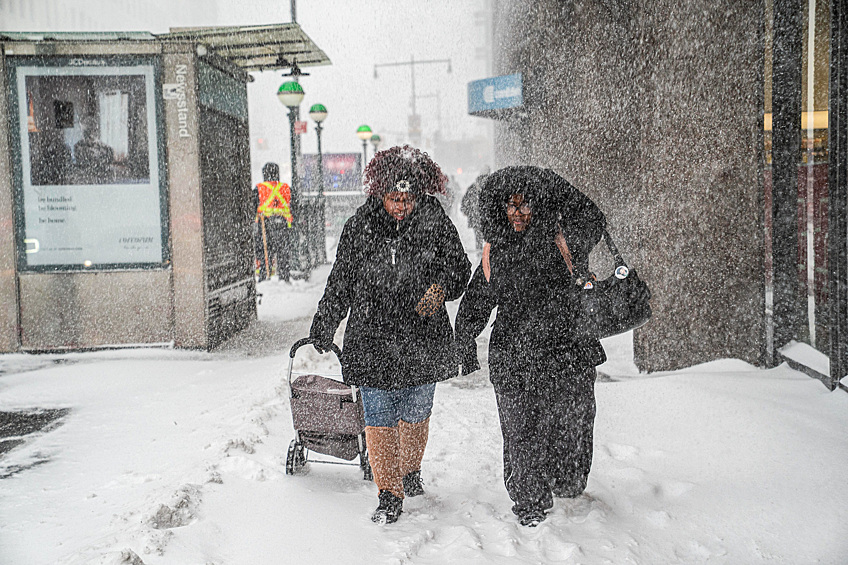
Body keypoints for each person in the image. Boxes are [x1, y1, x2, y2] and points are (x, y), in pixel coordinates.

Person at [309, 145, 471, 524]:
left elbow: (460, 270)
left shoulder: (435, 221)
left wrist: (442, 288)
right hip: (372, 335)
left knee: (416, 409)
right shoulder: (358, 227)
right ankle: (388, 492)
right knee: (379, 413)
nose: (400, 206)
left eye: (407, 199)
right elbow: (340, 284)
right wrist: (324, 323)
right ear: (379, 194)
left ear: (419, 195)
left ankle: (409, 470)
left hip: (422, 336)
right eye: (393, 199)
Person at [454, 165, 607, 527]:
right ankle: (528, 499)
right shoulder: (496, 250)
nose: (518, 213)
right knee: (520, 432)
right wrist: (463, 340)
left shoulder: (563, 239)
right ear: (500, 208)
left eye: (525, 205)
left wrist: (555, 186)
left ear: (539, 206)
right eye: (511, 205)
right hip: (514, 357)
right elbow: (477, 300)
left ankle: (565, 481)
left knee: (568, 426)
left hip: (565, 352)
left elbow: (593, 219)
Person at [254, 162, 293, 282]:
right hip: (283, 225)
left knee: (265, 251)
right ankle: (284, 276)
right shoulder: (286, 188)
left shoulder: (259, 188)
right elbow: (293, 204)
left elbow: (253, 206)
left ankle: (265, 275)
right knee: (283, 252)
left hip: (265, 225)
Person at [74, 114, 114, 184]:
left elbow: (107, 164)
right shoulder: (78, 147)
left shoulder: (107, 149)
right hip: (85, 180)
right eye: (86, 132)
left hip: (101, 180)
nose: (90, 135)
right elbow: (82, 163)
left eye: (92, 130)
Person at [460, 173, 487, 250]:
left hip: (479, 216)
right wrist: (466, 210)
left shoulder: (477, 189)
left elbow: (464, 202)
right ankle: (480, 249)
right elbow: (465, 202)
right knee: (478, 234)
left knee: (480, 234)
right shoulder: (473, 190)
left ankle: (482, 249)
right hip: (477, 216)